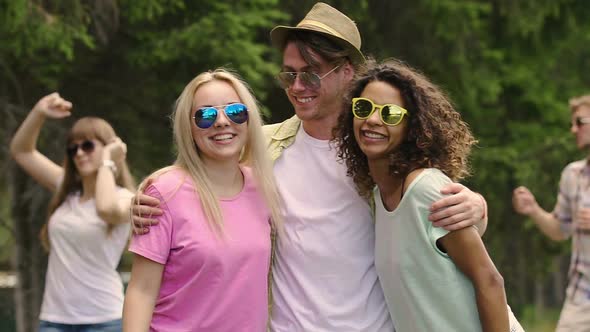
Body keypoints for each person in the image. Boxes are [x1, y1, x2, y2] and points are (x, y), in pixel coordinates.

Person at [131, 3, 489, 331]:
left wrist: (477, 206)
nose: (298, 87)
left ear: (348, 72)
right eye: (290, 75)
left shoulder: (382, 153)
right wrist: (134, 199)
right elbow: (193, 178)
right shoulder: (260, 147)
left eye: (312, 74)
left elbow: (441, 215)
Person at [335, 58, 527, 332]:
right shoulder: (378, 197)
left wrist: (480, 206)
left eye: (389, 113)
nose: (372, 120)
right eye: (363, 108)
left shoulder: (425, 190)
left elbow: (489, 280)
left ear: (411, 127)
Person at [122, 69, 283, 332]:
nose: (221, 122)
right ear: (189, 128)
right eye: (205, 115)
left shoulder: (264, 188)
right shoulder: (164, 193)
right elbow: (141, 291)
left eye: (235, 111)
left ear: (249, 119)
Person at [9, 92, 135, 332]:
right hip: (55, 321)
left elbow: (106, 209)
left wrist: (109, 162)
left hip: (105, 320)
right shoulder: (66, 191)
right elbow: (22, 151)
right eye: (72, 148)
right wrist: (39, 112)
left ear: (109, 149)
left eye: (87, 145)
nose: (78, 153)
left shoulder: (126, 199)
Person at [513, 94, 590, 331]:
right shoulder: (572, 175)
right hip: (582, 296)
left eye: (579, 122)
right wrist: (534, 210)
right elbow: (560, 230)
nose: (572, 129)